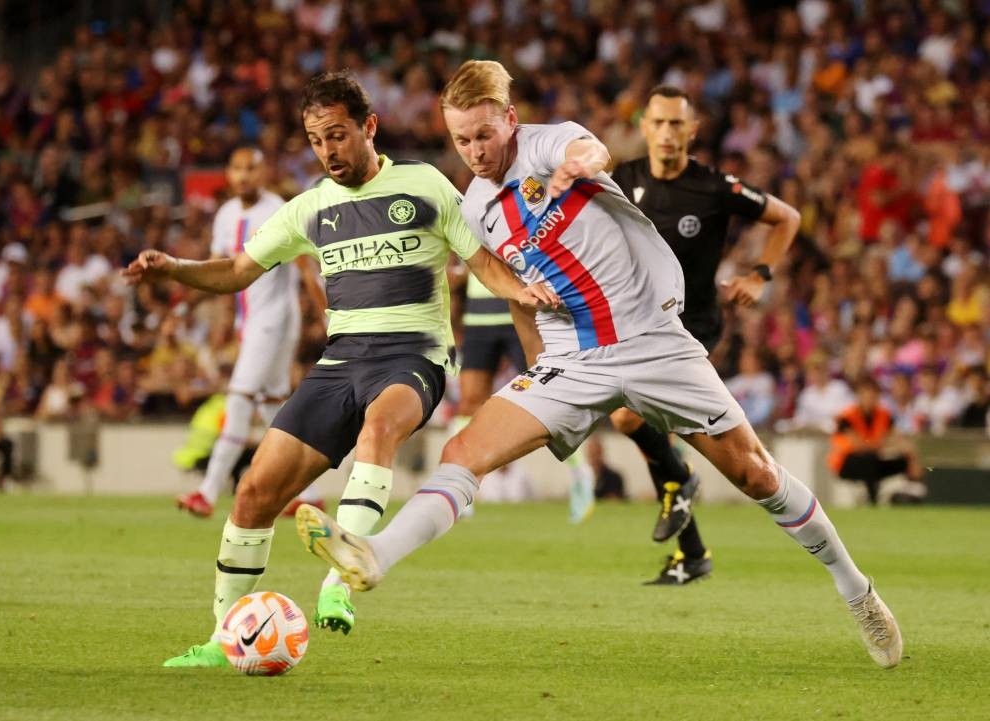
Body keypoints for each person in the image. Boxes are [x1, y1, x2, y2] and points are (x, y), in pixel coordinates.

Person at [296, 60, 902, 670]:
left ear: (509, 119)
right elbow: (519, 297)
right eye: (461, 139)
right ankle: (376, 555)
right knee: (462, 454)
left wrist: (577, 164)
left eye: (484, 134)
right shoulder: (477, 207)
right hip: (571, 359)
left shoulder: (547, 142)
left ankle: (856, 589)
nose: (475, 151)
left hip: (652, 342)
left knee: (755, 475)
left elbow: (593, 150)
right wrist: (537, 378)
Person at [122, 70, 556, 668]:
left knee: (378, 433)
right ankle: (224, 640)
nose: (328, 151)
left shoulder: (425, 184)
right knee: (253, 493)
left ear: (368, 127)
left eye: (338, 135)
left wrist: (524, 290)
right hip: (339, 362)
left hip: (412, 357)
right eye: (316, 139)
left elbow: (479, 258)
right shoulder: (311, 208)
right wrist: (174, 266)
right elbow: (236, 271)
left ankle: (338, 586)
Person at [607, 85, 802, 584]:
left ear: (692, 131)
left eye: (677, 124)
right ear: (644, 128)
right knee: (639, 426)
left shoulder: (715, 187)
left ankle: (683, 482)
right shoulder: (620, 180)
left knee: (631, 419)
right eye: (659, 123)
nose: (668, 133)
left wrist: (760, 273)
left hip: (690, 326)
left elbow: (787, 218)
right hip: (633, 324)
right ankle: (691, 551)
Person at [174, 146, 327, 519]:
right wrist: (187, 308)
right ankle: (310, 493)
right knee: (275, 406)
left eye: (251, 169)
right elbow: (217, 269)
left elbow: (306, 266)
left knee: (240, 398)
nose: (244, 176)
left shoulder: (277, 209)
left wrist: (327, 314)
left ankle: (208, 492)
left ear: (264, 174)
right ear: (228, 173)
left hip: (275, 319)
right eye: (237, 169)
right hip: (251, 320)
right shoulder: (226, 214)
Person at [451, 271, 595, 522]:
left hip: (518, 311)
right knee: (469, 403)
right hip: (478, 317)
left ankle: (580, 473)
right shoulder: (465, 230)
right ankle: (461, 488)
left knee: (548, 396)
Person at [829, 376, 926, 506]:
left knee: (902, 460)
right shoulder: (847, 416)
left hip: (875, 458)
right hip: (847, 462)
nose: (869, 398)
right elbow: (857, 445)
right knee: (869, 459)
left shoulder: (883, 415)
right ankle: (872, 499)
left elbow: (897, 439)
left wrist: (911, 454)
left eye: (873, 394)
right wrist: (883, 444)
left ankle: (911, 493)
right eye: (865, 393)